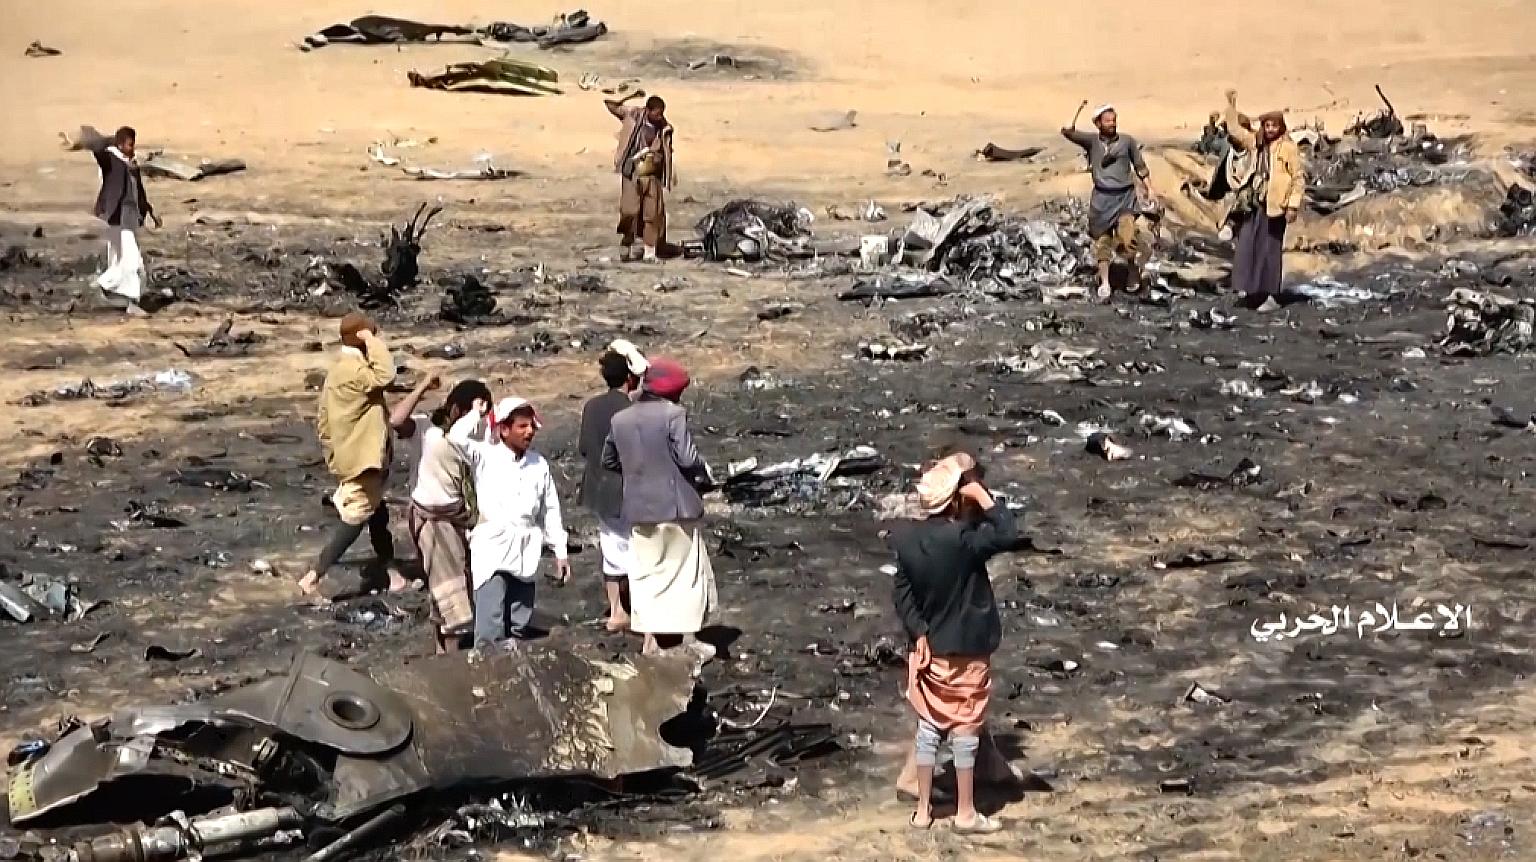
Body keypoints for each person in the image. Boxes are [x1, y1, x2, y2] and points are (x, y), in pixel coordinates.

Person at [891, 452, 1017, 834]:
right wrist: (985, 498)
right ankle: (965, 812)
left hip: (931, 650)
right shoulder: (964, 541)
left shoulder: (908, 541)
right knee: (965, 730)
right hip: (968, 647)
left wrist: (920, 633)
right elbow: (1007, 533)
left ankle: (924, 811)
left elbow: (902, 594)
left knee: (929, 728)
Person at [601, 358, 717, 655]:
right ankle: (683, 642)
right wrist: (704, 476)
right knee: (683, 577)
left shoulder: (621, 419)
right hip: (676, 507)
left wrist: (636, 474)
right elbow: (688, 458)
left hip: (639, 510)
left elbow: (609, 460)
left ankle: (653, 643)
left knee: (649, 577)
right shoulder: (673, 415)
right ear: (673, 392)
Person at [299, 314, 416, 599]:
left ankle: (392, 574)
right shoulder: (353, 370)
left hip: (354, 458)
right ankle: (313, 577)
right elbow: (386, 375)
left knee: (377, 513)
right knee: (356, 516)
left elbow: (323, 422)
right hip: (361, 461)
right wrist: (371, 340)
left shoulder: (339, 371)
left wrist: (334, 456)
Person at [450, 397, 571, 645]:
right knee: (490, 622)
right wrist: (476, 414)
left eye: (531, 426)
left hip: (526, 547)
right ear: (504, 429)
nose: (529, 432)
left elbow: (550, 509)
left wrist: (561, 552)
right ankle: (487, 674)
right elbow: (455, 438)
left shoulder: (538, 464)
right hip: (493, 547)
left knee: (519, 621)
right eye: (522, 426)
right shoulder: (485, 455)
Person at [394, 379, 493, 653]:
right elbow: (396, 419)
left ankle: (441, 651)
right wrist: (422, 386)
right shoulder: (426, 430)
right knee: (452, 591)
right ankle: (450, 657)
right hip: (432, 520)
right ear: (455, 409)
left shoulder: (474, 438)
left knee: (445, 586)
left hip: (457, 519)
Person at [578, 348, 645, 631]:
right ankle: (640, 609)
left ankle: (617, 610)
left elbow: (584, 447)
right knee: (637, 548)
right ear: (630, 378)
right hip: (626, 489)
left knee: (610, 546)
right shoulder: (631, 411)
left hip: (597, 487)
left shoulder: (592, 406)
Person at [1061, 101, 1155, 300]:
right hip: (1101, 200)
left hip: (1124, 198)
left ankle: (1132, 273)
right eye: (1107, 121)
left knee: (1128, 237)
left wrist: (1150, 190)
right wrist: (1079, 107)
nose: (1112, 124)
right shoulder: (1092, 141)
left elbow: (1140, 166)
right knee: (1102, 242)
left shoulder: (1127, 141)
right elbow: (1067, 130)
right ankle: (1105, 281)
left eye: (1114, 120)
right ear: (1098, 124)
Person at [1223, 89, 1305, 308]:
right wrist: (1230, 106)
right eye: (1267, 126)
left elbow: (1298, 178)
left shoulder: (1288, 148)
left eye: (1274, 126)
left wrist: (1293, 206)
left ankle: (1270, 296)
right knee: (1248, 244)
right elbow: (1235, 132)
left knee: (1270, 250)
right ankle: (1250, 291)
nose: (1270, 130)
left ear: (1280, 127)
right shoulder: (1256, 142)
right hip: (1255, 203)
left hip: (1276, 206)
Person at [85, 126, 160, 313]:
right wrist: (112, 140)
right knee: (131, 259)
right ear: (120, 144)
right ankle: (131, 300)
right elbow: (96, 147)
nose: (133, 148)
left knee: (120, 259)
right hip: (116, 215)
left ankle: (111, 289)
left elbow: (139, 191)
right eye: (129, 144)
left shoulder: (132, 164)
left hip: (130, 216)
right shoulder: (110, 160)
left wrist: (149, 211)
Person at [605, 92, 675, 263]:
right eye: (657, 113)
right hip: (632, 171)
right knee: (629, 210)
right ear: (648, 110)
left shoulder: (664, 128)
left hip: (652, 175)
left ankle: (650, 252)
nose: (660, 117)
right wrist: (630, 96)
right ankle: (627, 239)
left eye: (661, 113)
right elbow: (610, 104)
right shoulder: (633, 115)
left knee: (652, 214)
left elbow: (667, 151)